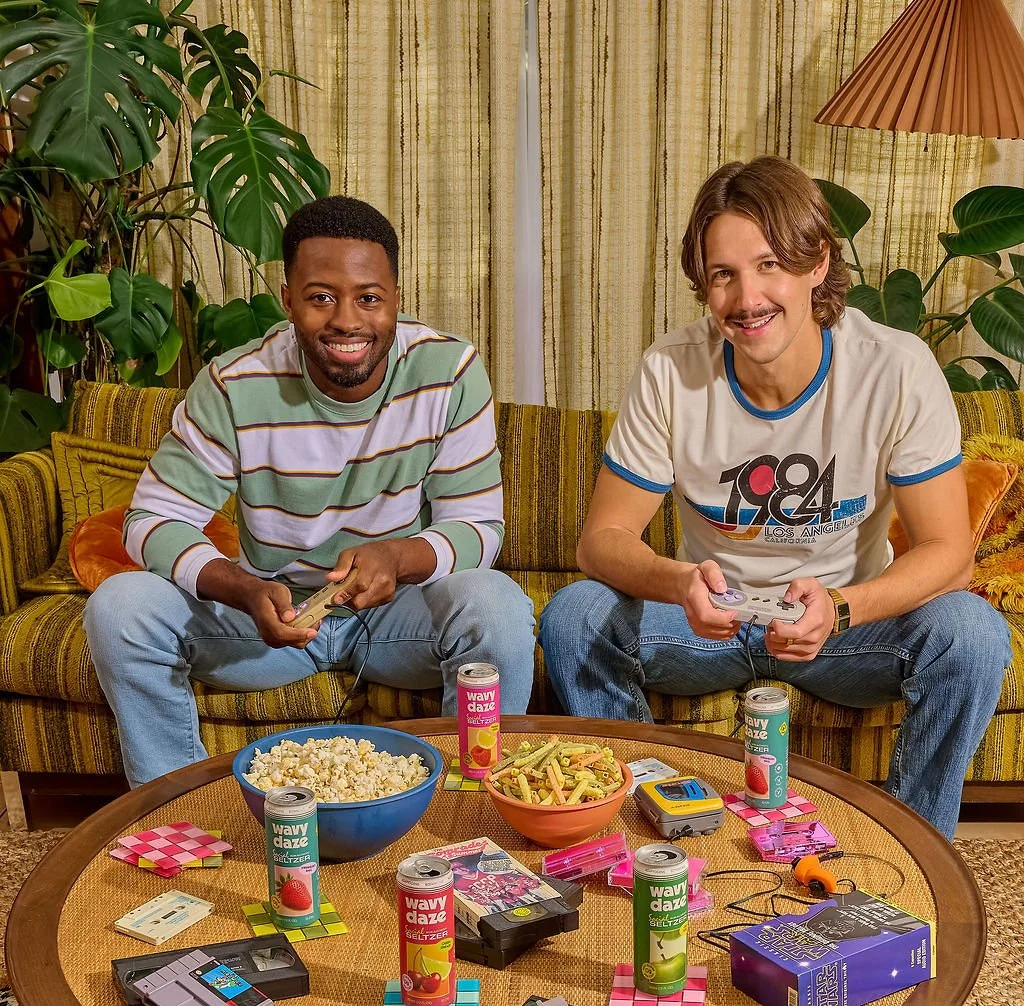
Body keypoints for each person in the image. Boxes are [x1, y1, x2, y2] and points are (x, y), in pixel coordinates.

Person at [539, 156, 1010, 840]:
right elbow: (601, 541)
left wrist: (843, 607)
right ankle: (651, 827)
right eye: (723, 275)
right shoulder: (671, 370)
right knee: (574, 615)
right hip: (710, 625)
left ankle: (917, 849)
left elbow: (950, 556)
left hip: (843, 631)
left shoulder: (895, 368)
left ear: (817, 262)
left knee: (972, 632)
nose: (746, 297)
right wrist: (681, 582)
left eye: (769, 265)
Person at [85, 196, 535, 786]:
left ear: (396, 297)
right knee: (120, 607)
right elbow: (149, 522)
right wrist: (242, 586)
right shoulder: (234, 384)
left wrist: (396, 558)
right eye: (321, 297)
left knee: (496, 604)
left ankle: (471, 809)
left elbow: (478, 527)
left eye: (369, 298)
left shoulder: (448, 370)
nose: (347, 320)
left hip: (395, 616)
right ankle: (177, 813)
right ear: (288, 300)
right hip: (271, 619)